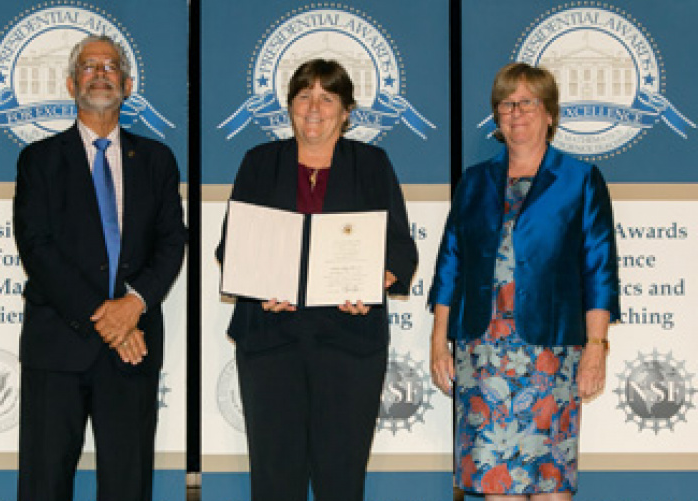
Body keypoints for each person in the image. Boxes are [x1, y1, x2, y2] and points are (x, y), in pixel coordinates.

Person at [216, 59, 418, 501]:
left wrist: (377, 282)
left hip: (348, 343)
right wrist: (255, 283)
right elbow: (229, 248)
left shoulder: (371, 163)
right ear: (289, 106)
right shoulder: (259, 162)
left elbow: (401, 250)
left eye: (327, 98)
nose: (314, 107)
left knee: (341, 479)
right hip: (271, 342)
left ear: (346, 112)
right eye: (304, 95)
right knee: (274, 479)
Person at [429, 62, 619, 499]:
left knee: (550, 479)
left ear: (550, 113)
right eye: (506, 104)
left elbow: (599, 270)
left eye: (527, 103)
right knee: (497, 483)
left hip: (551, 352)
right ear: (496, 116)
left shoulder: (580, 180)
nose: (516, 113)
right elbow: (450, 264)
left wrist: (596, 348)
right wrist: (440, 342)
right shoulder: (474, 183)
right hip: (483, 350)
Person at [13, 35, 186, 501]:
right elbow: (38, 248)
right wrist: (106, 318)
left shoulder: (157, 161)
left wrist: (133, 306)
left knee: (128, 486)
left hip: (133, 348)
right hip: (58, 347)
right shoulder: (39, 161)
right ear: (71, 83)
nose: (101, 72)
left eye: (111, 65)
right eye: (89, 66)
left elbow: (173, 242)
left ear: (127, 85)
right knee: (44, 484)